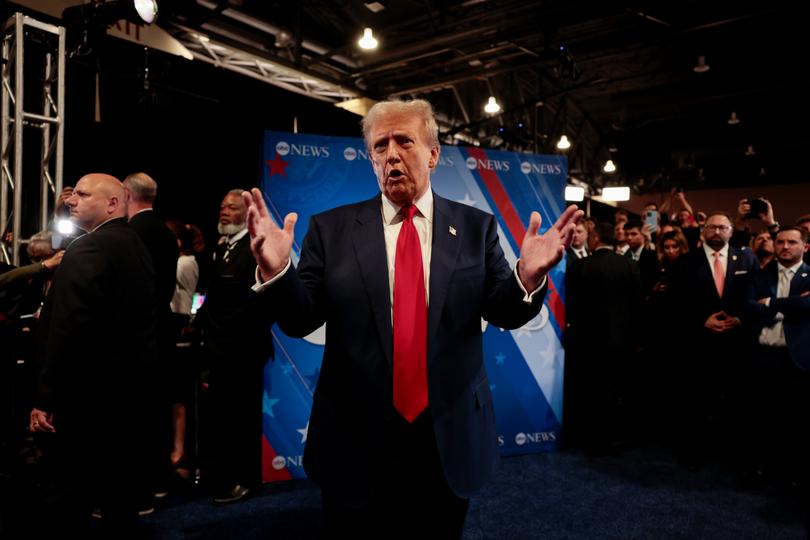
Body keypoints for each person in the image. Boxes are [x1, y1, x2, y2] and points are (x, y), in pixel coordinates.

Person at [242, 99, 581, 538]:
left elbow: (504, 309)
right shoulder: (331, 229)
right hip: (355, 437)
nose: (392, 154)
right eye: (380, 146)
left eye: (405, 141)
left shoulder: (476, 227)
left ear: (434, 154)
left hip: (446, 437)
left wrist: (527, 276)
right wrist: (278, 273)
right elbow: (300, 320)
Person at [29, 174, 158, 537]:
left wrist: (46, 397)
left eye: (83, 195)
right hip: (125, 399)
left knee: (65, 501)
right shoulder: (134, 244)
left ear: (113, 204)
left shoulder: (90, 249)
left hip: (83, 403)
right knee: (118, 499)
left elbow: (68, 330)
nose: (72, 200)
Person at [194, 189, 275, 505]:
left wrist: (229, 339)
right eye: (221, 206)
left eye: (230, 207)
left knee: (240, 418)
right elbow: (212, 297)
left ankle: (244, 481)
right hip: (218, 350)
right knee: (221, 418)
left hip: (242, 352)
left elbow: (256, 304)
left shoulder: (254, 248)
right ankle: (223, 477)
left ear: (246, 211)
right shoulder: (222, 247)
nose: (223, 212)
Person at [123, 172, 180, 501]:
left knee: (136, 414)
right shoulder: (165, 232)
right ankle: (158, 480)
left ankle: (140, 488)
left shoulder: (130, 234)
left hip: (136, 336)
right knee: (158, 410)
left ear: (127, 194)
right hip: (161, 329)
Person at [745, 227, 810, 487]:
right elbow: (747, 306)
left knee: (797, 419)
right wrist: (794, 305)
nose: (785, 247)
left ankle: (794, 472)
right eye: (780, 241)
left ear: (804, 247)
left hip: (798, 358)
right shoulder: (758, 275)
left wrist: (771, 303)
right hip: (763, 355)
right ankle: (760, 467)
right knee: (761, 416)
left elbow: (809, 305)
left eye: (792, 242)